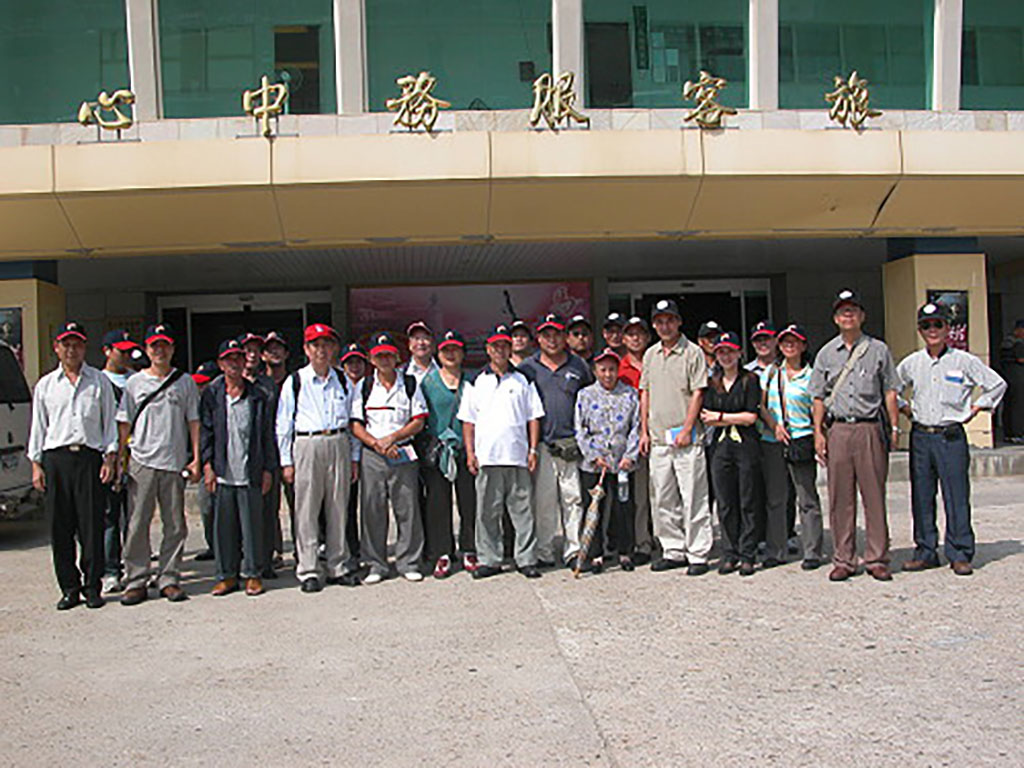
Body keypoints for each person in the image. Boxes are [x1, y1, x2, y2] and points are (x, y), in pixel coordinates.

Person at [897, 302, 1006, 576]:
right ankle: (925, 551)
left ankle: (960, 552)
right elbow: (891, 388)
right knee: (922, 496)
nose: (932, 330)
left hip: (950, 436)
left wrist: (978, 407)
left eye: (938, 324)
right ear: (920, 329)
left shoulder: (964, 361)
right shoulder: (912, 362)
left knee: (956, 495)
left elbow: (997, 384)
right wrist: (904, 409)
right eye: (926, 325)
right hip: (921, 435)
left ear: (947, 328)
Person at [810, 289, 900, 582]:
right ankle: (844, 559)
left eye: (853, 310)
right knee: (840, 498)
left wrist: (895, 427)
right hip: (838, 430)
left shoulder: (878, 350)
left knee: (874, 495)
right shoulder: (826, 353)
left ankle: (876, 557)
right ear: (836, 318)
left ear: (862, 316)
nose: (848, 315)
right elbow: (819, 397)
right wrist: (818, 434)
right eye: (843, 311)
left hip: (868, 428)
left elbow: (890, 390)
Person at [28, 322, 118, 610]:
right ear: (56, 347)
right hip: (56, 460)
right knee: (60, 526)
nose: (71, 350)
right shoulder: (45, 385)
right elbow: (38, 428)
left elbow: (109, 424)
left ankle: (93, 587)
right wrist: (36, 465)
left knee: (91, 525)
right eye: (66, 344)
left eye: (77, 344)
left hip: (89, 459)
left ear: (85, 347)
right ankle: (69, 587)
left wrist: (110, 457)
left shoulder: (99, 381)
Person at [118, 323, 201, 605]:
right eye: (154, 346)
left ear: (172, 349)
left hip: (173, 461)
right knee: (138, 522)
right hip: (142, 461)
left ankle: (169, 577)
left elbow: (194, 421)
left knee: (175, 523)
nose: (159, 351)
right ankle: (137, 579)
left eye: (164, 345)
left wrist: (196, 457)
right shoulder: (134, 383)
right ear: (147, 349)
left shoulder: (185, 382)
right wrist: (120, 458)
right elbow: (124, 423)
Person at [276, 323, 360, 593]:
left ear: (334, 348)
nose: (321, 350)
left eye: (326, 344)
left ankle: (338, 565)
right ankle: (309, 568)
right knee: (307, 509)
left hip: (338, 442)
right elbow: (283, 423)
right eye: (315, 345)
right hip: (307, 444)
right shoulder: (296, 381)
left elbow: (353, 422)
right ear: (306, 349)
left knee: (338, 508)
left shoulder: (343, 380)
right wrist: (286, 461)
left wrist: (354, 458)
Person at [457, 323, 545, 579]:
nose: (500, 350)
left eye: (504, 345)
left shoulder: (523, 379)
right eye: (495, 346)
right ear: (487, 349)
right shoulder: (475, 381)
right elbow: (468, 421)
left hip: (517, 457)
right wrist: (471, 453)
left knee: (523, 511)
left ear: (510, 349)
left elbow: (533, 417)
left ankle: (526, 559)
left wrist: (532, 450)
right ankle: (489, 559)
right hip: (487, 457)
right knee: (487, 512)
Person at [639, 299, 711, 576]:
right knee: (664, 498)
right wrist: (644, 430)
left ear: (679, 322)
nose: (664, 326)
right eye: (659, 321)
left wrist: (687, 428)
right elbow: (645, 392)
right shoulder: (650, 355)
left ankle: (698, 553)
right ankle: (673, 549)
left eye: (669, 320)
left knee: (693, 497)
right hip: (658, 440)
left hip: (687, 439)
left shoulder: (692, 352)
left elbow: (698, 393)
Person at [351, 331, 428, 584]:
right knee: (373, 509)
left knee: (407, 509)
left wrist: (393, 438)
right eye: (378, 356)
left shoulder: (409, 384)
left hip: (403, 452)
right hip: (373, 455)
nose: (384, 360)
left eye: (388, 355)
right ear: (371, 360)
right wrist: (378, 444)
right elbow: (356, 424)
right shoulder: (363, 386)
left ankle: (409, 561)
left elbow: (418, 421)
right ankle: (376, 564)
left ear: (396, 357)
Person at [200, 339, 276, 597]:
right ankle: (226, 575)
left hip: (250, 469)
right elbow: (206, 432)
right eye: (229, 359)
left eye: (238, 358)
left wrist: (267, 468)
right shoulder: (212, 393)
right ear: (221, 364)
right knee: (224, 528)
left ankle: (253, 574)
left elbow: (267, 435)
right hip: (223, 471)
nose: (234, 364)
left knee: (252, 525)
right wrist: (208, 464)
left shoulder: (258, 396)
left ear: (245, 362)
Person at [518, 313, 593, 567]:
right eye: (546, 335)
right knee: (544, 501)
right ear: (538, 338)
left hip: (571, 445)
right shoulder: (527, 368)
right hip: (541, 446)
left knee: (573, 500)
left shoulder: (579, 366)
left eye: (557, 334)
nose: (552, 340)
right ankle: (544, 550)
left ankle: (573, 551)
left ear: (565, 337)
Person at [759, 324, 824, 570]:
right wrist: (774, 425)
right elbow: (761, 405)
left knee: (806, 497)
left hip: (802, 438)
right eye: (785, 341)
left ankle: (812, 551)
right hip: (774, 440)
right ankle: (776, 549)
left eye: (794, 342)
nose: (789, 346)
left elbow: (817, 406)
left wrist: (818, 434)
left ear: (803, 346)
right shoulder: (771, 373)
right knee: (776, 498)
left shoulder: (811, 375)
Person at [700, 332, 763, 576]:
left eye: (730, 351)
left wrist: (721, 418)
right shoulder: (712, 382)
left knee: (747, 498)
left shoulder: (750, 380)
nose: (726, 356)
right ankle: (730, 552)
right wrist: (722, 419)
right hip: (720, 446)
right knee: (725, 501)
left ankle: (748, 553)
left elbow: (751, 417)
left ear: (739, 353)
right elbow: (706, 416)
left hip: (746, 444)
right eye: (721, 352)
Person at [574, 348, 640, 573]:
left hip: (622, 463)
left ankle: (624, 551)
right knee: (595, 508)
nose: (608, 374)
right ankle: (596, 554)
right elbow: (580, 429)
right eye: (603, 370)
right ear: (595, 371)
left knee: (623, 508)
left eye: (612, 369)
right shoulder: (585, 395)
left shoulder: (630, 394)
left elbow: (636, 427)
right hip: (595, 463)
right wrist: (593, 457)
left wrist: (630, 456)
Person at [420, 329, 477, 578]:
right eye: (445, 350)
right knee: (437, 503)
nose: (450, 354)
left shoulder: (471, 383)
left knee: (469, 500)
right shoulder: (428, 383)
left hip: (466, 449)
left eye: (455, 349)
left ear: (463, 353)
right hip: (438, 451)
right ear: (438, 353)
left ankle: (469, 548)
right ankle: (442, 552)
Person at [98, 329, 140, 594]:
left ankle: (136, 567)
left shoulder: (136, 380)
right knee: (110, 515)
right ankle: (111, 570)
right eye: (120, 351)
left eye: (128, 351)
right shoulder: (98, 381)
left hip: (136, 454)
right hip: (110, 455)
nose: (125, 355)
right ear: (107, 351)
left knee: (136, 516)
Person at [238, 331, 280, 579]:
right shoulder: (224, 384)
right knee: (237, 512)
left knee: (267, 510)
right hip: (235, 456)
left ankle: (264, 561)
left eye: (256, 350)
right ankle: (241, 560)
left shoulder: (267, 385)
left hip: (266, 455)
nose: (251, 355)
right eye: (247, 351)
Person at [618, 315, 655, 564]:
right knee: (640, 497)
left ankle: (670, 541)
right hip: (632, 442)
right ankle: (642, 542)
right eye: (630, 334)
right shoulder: (616, 369)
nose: (636, 338)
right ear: (623, 339)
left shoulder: (657, 361)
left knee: (664, 494)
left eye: (640, 333)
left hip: (662, 434)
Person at [260, 329, 291, 567]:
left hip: (293, 450)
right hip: (267, 451)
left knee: (299, 504)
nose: (274, 352)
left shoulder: (295, 382)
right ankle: (272, 550)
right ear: (262, 356)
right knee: (268, 506)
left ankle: (303, 550)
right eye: (270, 349)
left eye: (278, 348)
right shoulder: (259, 385)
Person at [339, 342, 368, 569]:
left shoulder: (370, 386)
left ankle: (364, 549)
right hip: (342, 452)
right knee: (344, 505)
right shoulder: (339, 386)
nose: (355, 366)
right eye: (350, 362)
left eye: (358, 361)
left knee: (368, 504)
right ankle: (349, 549)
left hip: (367, 452)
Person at [191, 360, 220, 563]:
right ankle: (213, 546)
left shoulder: (220, 402)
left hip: (222, 462)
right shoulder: (194, 408)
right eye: (198, 385)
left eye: (204, 384)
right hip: (202, 463)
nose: (201, 389)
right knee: (206, 506)